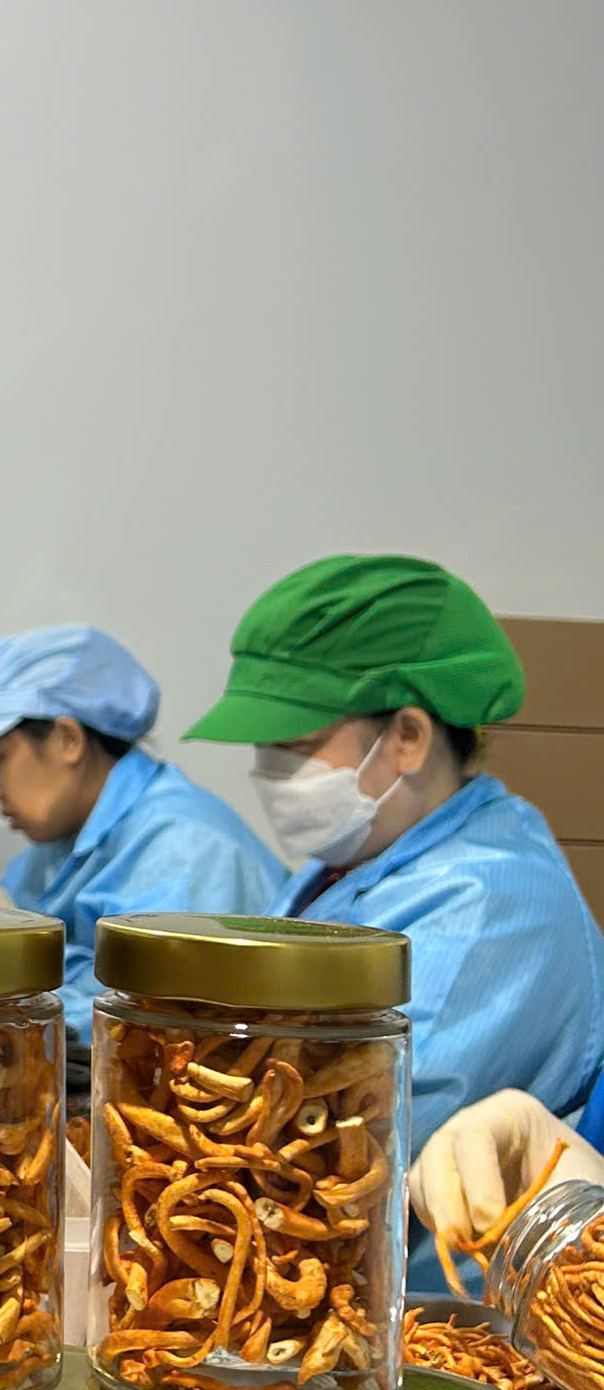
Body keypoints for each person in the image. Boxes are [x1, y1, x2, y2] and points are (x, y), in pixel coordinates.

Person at [185, 553, 604, 1292]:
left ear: (408, 736)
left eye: (294, 747)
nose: (268, 773)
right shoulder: (350, 865)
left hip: (429, 1315)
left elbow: (351, 1144)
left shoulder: (491, 902)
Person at [0, 624, 285, 1047]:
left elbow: (142, 1033)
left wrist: (9, 942)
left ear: (69, 740)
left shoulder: (187, 849)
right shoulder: (54, 848)